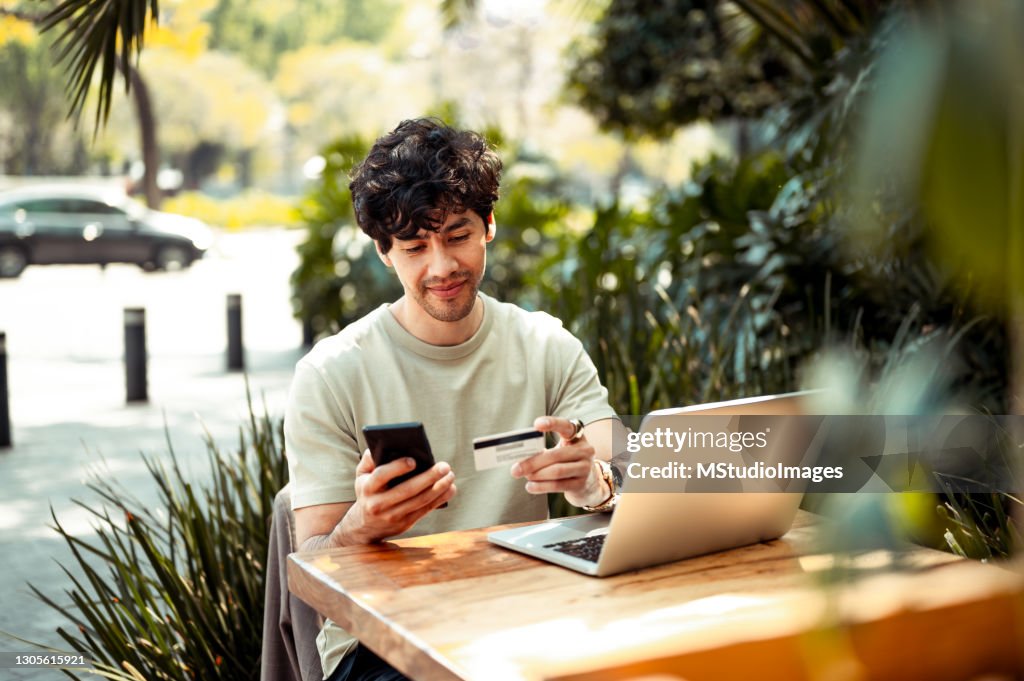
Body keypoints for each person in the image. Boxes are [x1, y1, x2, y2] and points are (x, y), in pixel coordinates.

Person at [284, 117, 621, 681]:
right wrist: (360, 526)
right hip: (382, 645)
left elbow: (641, 477)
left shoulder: (545, 346)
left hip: (526, 615)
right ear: (384, 252)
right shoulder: (332, 373)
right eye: (415, 246)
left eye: (458, 236)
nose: (441, 267)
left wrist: (597, 484)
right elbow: (312, 565)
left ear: (489, 225)